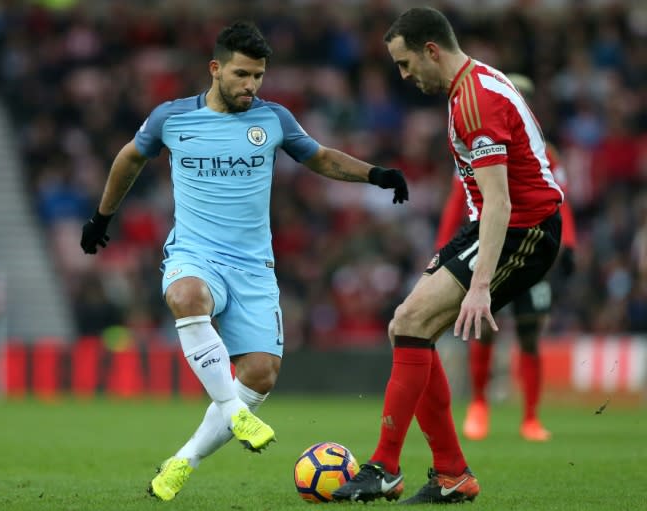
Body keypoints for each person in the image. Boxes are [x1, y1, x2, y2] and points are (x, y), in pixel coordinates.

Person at [79, 20, 409, 502]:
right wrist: (101, 218)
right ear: (215, 69)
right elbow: (129, 158)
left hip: (254, 267)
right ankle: (233, 411)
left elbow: (320, 158)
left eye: (258, 76)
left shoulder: (273, 119)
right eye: (241, 75)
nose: (251, 86)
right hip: (195, 254)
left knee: (260, 374)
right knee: (185, 295)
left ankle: (180, 462)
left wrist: (376, 174)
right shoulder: (172, 118)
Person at [333, 7, 563, 505]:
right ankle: (452, 475)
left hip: (524, 229)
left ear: (430, 50)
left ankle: (386, 467)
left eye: (404, 63)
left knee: (413, 321)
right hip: (493, 224)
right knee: (407, 325)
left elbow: (501, 201)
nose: (404, 75)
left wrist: (480, 287)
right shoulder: (473, 83)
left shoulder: (474, 100)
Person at [436, 74, 579, 443]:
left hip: (533, 249)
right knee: (483, 329)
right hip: (492, 250)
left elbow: (560, 199)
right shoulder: (477, 145)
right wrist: (444, 247)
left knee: (530, 333)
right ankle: (479, 405)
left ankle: (530, 417)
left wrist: (571, 244)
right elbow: (459, 202)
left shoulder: (547, 154)